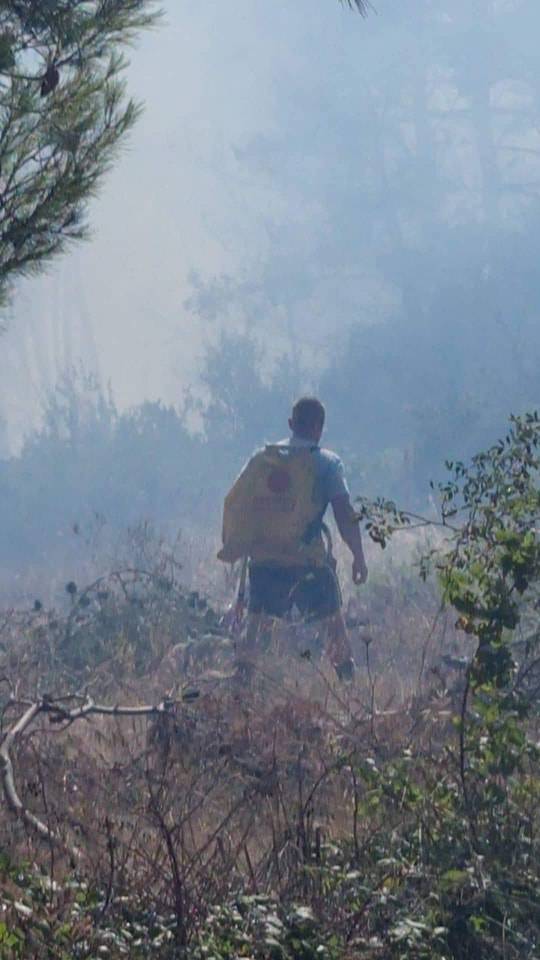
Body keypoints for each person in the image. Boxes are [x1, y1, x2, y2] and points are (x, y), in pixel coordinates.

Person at [218, 397, 368, 680]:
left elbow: (236, 504)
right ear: (320, 427)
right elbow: (344, 513)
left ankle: (239, 691)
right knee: (333, 628)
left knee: (254, 633)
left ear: (290, 424)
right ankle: (349, 688)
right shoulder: (326, 463)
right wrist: (359, 556)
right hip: (308, 565)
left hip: (264, 564)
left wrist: (238, 546)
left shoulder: (263, 460)